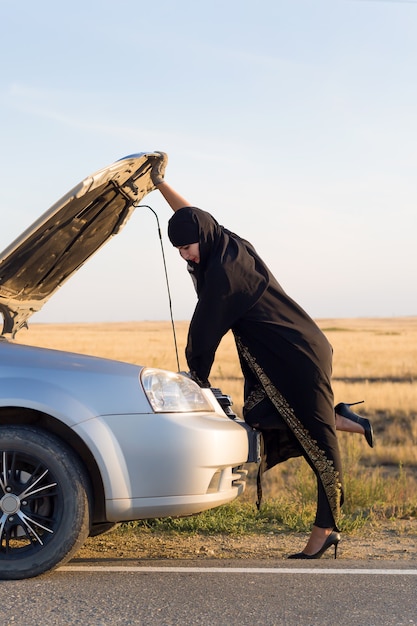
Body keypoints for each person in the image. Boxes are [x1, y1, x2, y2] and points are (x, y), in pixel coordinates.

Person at [150, 153, 373, 559]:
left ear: (201, 236)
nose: (186, 256)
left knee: (319, 446)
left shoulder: (224, 272)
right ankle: (340, 417)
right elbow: (190, 214)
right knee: (258, 415)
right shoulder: (219, 238)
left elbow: (205, 330)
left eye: (187, 247)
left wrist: (195, 375)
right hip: (276, 354)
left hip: (296, 354)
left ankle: (327, 529)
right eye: (179, 250)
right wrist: (159, 184)